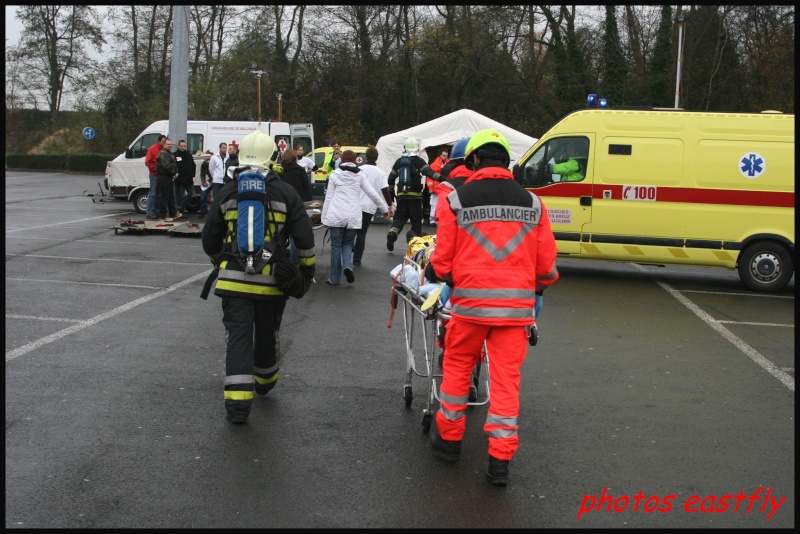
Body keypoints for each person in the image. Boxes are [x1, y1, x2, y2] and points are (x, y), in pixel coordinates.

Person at [426, 128, 560, 486]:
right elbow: (546, 266)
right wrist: (529, 287)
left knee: (456, 372)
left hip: (470, 308)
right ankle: (499, 461)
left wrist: (447, 276)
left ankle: (450, 441)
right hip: (514, 314)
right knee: (505, 384)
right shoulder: (533, 203)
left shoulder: (456, 199)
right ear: (507, 161)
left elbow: (442, 262)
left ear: (472, 160)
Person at [201, 130, 316, 424]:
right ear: (272, 158)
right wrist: (306, 272)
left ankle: (238, 408)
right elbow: (304, 239)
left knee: (237, 340)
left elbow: (210, 241)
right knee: (267, 335)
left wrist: (222, 262)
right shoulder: (286, 193)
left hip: (232, 284)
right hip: (271, 284)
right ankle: (265, 381)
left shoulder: (227, 191)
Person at [321, 150, 389, 285]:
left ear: (342, 161)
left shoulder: (335, 175)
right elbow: (373, 194)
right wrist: (384, 209)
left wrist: (324, 218)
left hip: (336, 214)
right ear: (354, 161)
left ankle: (334, 278)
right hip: (353, 215)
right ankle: (347, 266)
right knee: (347, 243)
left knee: (336, 245)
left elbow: (328, 198)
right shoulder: (359, 175)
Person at [386, 137, 442, 251]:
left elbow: (390, 179)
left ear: (405, 148)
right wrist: (444, 178)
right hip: (415, 197)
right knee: (416, 221)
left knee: (399, 219)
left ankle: (392, 234)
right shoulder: (420, 161)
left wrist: (391, 195)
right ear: (417, 148)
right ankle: (414, 245)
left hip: (401, 196)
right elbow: (430, 173)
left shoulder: (399, 162)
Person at [352, 146, 393, 265]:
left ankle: (350, 247)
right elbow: (385, 190)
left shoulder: (359, 169)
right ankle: (357, 258)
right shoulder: (380, 172)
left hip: (356, 204)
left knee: (352, 230)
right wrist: (390, 205)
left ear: (365, 157)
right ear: (377, 158)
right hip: (369, 207)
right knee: (362, 233)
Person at [279, 149, 314, 264]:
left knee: (282, 234)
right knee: (295, 235)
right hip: (298, 206)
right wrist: (309, 204)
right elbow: (306, 188)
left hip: (281, 205)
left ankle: (281, 258)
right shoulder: (300, 171)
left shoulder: (279, 171)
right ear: (295, 159)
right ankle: (293, 261)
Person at [155, 138, 182, 221]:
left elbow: (173, 164)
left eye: (171, 144)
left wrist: (177, 171)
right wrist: (174, 172)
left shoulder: (169, 153)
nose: (170, 146)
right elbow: (166, 165)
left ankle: (173, 213)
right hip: (164, 177)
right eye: (168, 144)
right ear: (164, 144)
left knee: (171, 196)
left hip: (169, 177)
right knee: (164, 197)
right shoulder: (163, 153)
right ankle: (162, 216)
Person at [144, 135, 167, 220]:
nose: (165, 143)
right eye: (163, 141)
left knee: (159, 194)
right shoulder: (153, 149)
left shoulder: (164, 150)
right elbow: (148, 162)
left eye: (165, 141)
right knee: (153, 194)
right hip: (154, 174)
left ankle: (156, 211)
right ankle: (149, 212)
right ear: (159, 141)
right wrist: (156, 169)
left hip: (161, 175)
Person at [426, 149, 449, 227]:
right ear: (440, 155)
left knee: (444, 205)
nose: (445, 157)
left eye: (446, 156)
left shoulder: (449, 164)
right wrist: (430, 187)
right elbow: (429, 178)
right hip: (436, 189)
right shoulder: (433, 165)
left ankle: (441, 219)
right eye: (444, 155)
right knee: (434, 204)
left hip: (445, 188)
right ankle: (432, 219)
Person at [173, 139, 196, 216]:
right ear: (178, 146)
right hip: (180, 180)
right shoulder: (175, 155)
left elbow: (193, 165)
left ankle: (179, 208)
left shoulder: (188, 154)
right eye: (181, 146)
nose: (183, 147)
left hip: (189, 179)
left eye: (184, 146)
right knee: (180, 196)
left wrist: (192, 174)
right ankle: (181, 211)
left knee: (191, 194)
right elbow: (174, 166)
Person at [198, 151, 213, 218]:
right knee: (203, 195)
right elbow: (202, 174)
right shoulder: (204, 165)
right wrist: (203, 182)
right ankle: (203, 211)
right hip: (210, 180)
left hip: (217, 180)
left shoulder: (213, 164)